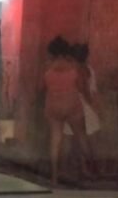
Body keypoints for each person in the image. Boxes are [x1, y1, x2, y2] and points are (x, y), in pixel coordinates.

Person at [41, 36, 92, 185]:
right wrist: (90, 102)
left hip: (53, 104)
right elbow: (82, 87)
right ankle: (89, 168)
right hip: (72, 104)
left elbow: (40, 87)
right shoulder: (74, 66)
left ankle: (54, 177)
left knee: (55, 140)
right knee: (81, 137)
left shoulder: (47, 67)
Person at [63, 43, 100, 178]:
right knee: (85, 138)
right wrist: (94, 106)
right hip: (82, 104)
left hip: (75, 103)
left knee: (73, 138)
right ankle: (88, 168)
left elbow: (83, 88)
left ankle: (83, 167)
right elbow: (91, 91)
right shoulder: (87, 69)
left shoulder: (75, 69)